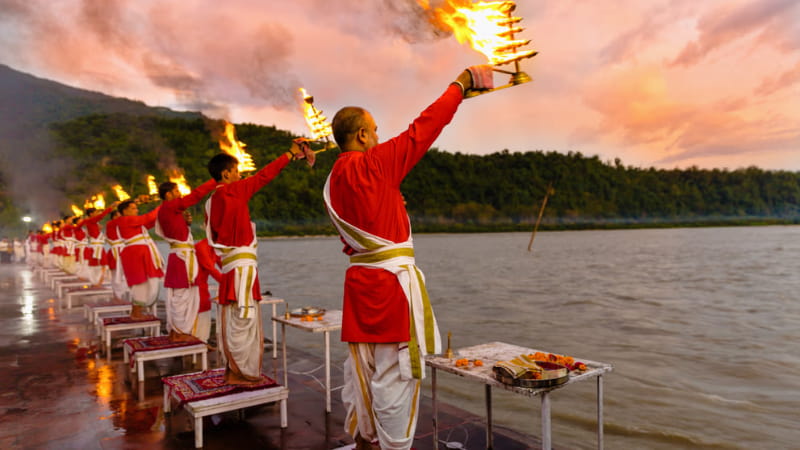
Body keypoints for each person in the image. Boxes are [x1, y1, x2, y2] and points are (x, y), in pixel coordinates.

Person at [323, 65, 493, 450]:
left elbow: (368, 217)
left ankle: (367, 440)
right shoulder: (376, 163)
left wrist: (392, 202)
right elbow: (425, 127)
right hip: (390, 290)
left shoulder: (333, 178)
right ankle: (394, 445)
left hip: (358, 287)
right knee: (397, 375)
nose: (380, 136)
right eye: (375, 130)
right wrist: (459, 85)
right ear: (362, 134)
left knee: (364, 373)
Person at [205, 140, 313, 385]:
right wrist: (289, 153)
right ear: (226, 174)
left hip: (232, 268)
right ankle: (242, 373)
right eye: (236, 170)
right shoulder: (232, 191)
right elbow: (265, 175)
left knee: (235, 320)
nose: (240, 174)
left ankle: (234, 370)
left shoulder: (211, 201)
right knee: (244, 320)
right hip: (241, 270)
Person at [155, 179, 216, 342]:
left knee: (180, 296)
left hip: (179, 256)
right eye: (176, 192)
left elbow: (177, 231)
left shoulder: (166, 210)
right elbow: (195, 196)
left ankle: (177, 331)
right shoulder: (169, 206)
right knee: (182, 296)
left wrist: (185, 223)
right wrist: (215, 181)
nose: (179, 194)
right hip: (181, 258)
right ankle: (180, 332)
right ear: (168, 195)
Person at [116, 198, 163, 318]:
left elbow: (150, 222)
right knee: (139, 282)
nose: (136, 210)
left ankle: (137, 310)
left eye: (136, 208)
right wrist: (164, 205)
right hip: (134, 253)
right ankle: (136, 312)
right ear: (125, 211)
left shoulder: (132, 222)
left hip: (138, 252)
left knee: (144, 281)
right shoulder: (125, 220)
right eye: (133, 208)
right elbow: (147, 218)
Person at [195, 237, 222, 345]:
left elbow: (224, 265)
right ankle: (196, 343)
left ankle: (203, 342)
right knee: (199, 309)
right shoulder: (201, 247)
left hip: (203, 285)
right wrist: (228, 284)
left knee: (206, 309)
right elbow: (211, 269)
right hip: (193, 285)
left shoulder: (216, 248)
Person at [80, 206, 116, 286]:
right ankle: (96, 282)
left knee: (101, 264)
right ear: (91, 214)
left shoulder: (93, 222)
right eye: (96, 212)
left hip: (98, 246)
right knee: (96, 265)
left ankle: (98, 281)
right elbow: (101, 216)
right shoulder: (91, 220)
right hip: (95, 247)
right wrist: (111, 207)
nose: (97, 214)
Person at [104, 210, 129, 301]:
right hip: (116, 251)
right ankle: (118, 295)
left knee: (125, 275)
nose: (120, 217)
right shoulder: (111, 224)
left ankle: (120, 294)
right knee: (116, 275)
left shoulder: (121, 224)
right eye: (119, 216)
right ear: (114, 217)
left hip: (123, 250)